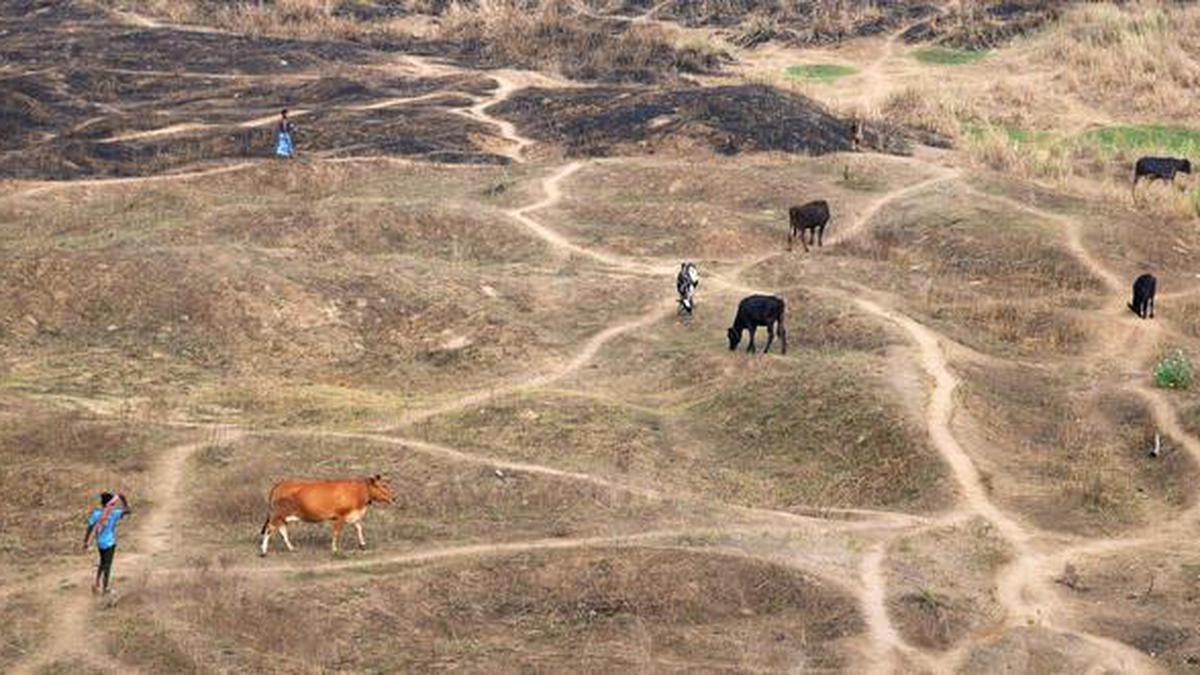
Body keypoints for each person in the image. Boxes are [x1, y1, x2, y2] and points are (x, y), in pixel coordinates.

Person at [83, 492, 130, 594]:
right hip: (110, 543)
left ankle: (96, 584)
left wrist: (86, 541)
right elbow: (128, 511)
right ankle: (105, 588)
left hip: (100, 543)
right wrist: (124, 499)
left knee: (102, 563)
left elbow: (90, 528)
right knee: (107, 566)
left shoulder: (97, 514)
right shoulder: (114, 514)